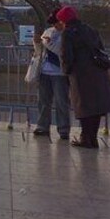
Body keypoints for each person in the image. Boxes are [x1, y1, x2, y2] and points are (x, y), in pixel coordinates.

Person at [59, 6, 110, 149]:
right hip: (97, 72)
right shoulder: (90, 29)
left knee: (83, 107)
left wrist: (66, 72)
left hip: (81, 74)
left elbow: (67, 56)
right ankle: (92, 138)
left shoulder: (68, 33)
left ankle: (85, 138)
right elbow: (100, 48)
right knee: (95, 108)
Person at [32, 11, 70, 139]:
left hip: (60, 73)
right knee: (43, 102)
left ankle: (63, 129)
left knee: (61, 102)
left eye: (57, 22)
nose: (55, 25)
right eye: (53, 23)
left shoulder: (68, 34)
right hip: (44, 71)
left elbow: (60, 51)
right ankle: (42, 127)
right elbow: (39, 51)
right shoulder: (48, 31)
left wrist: (47, 43)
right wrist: (37, 42)